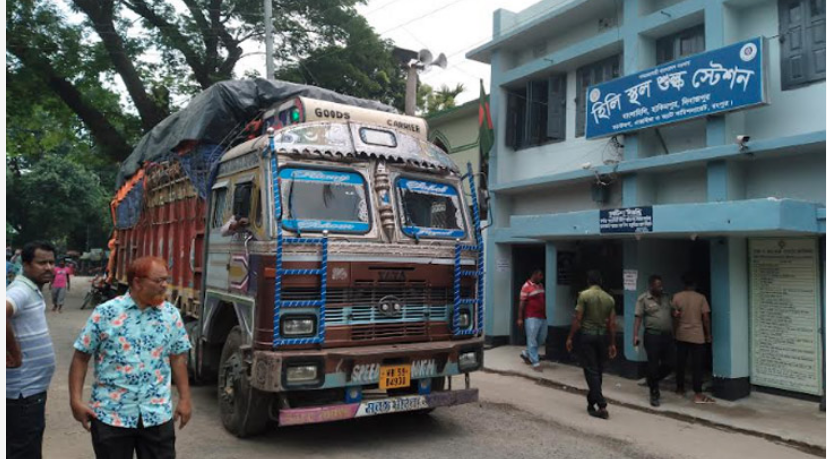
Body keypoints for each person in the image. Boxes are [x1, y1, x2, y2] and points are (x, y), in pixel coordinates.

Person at [69, 256, 193, 459]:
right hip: (111, 416)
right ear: (137, 282)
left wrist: (185, 399)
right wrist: (75, 400)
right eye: (158, 281)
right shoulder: (106, 313)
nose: (165, 286)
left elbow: (178, 358)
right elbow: (81, 357)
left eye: (166, 280)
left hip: (157, 415)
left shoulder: (171, 315)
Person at [6, 241, 58, 459]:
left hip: (29, 393)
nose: (48, 267)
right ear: (26, 264)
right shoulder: (20, 290)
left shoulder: (30, 289)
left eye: (52, 262)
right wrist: (15, 353)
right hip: (22, 395)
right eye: (41, 262)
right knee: (24, 451)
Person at [565, 270, 617, 419]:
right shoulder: (609, 299)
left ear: (588, 281)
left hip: (588, 335)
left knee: (591, 370)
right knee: (598, 370)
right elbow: (612, 324)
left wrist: (570, 337)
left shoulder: (584, 296)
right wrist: (612, 343)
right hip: (602, 337)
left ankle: (601, 404)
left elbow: (578, 319)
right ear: (600, 282)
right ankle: (591, 400)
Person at [672, 273, 715, 404]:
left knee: (681, 363)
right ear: (695, 284)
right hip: (697, 335)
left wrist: (674, 332)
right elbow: (706, 319)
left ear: (683, 284)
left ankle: (680, 388)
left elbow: (675, 317)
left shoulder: (677, 297)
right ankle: (698, 393)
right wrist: (708, 334)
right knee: (698, 365)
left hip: (682, 334)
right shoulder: (701, 298)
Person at [634, 274, 674, 407]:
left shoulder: (667, 297)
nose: (660, 288)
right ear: (651, 286)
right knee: (653, 364)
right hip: (652, 336)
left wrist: (676, 313)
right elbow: (638, 318)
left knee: (670, 363)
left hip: (667, 336)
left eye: (661, 285)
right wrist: (635, 335)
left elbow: (672, 312)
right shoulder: (643, 299)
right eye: (657, 286)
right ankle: (654, 393)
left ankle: (652, 379)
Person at [517, 269, 546, 372]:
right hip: (531, 317)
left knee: (542, 338)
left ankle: (527, 353)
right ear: (534, 275)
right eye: (540, 275)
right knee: (532, 339)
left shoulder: (541, 286)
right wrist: (520, 318)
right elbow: (522, 303)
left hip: (542, 316)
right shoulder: (526, 286)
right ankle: (535, 362)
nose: (541, 277)